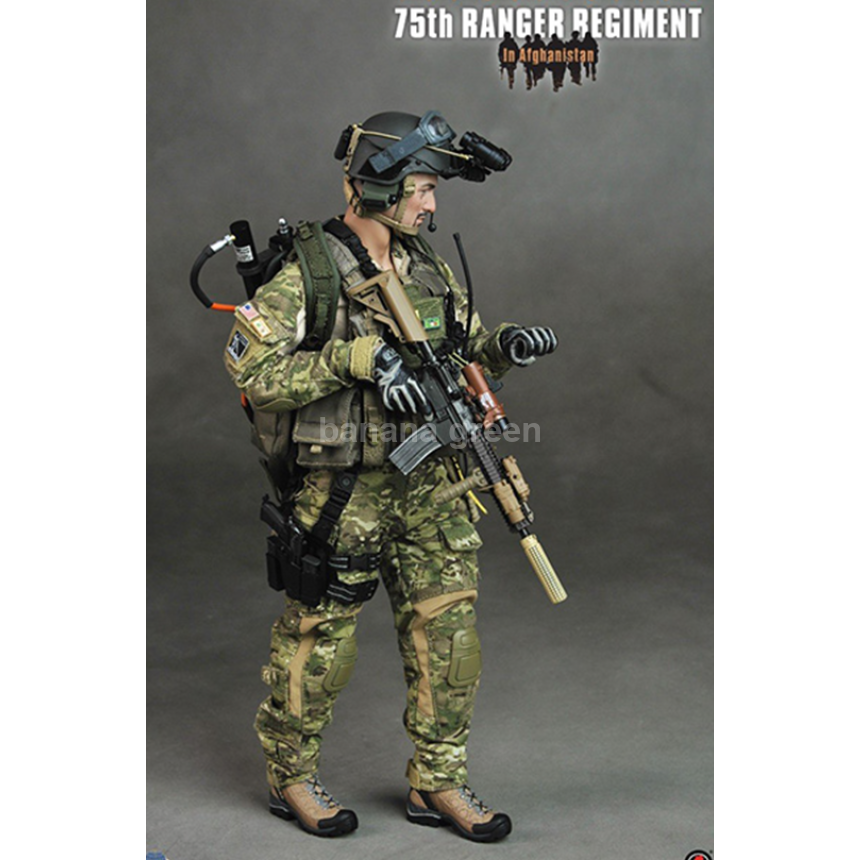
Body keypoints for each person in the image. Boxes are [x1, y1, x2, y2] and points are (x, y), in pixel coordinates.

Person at [223, 111, 558, 842]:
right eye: (422, 188)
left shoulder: (425, 264)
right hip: (346, 492)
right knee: (319, 643)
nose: (431, 204)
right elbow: (252, 372)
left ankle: (437, 780)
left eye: (433, 189)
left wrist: (505, 347)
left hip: (435, 485)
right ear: (379, 184)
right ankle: (290, 775)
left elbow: (462, 346)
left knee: (451, 641)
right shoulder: (310, 272)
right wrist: (354, 359)